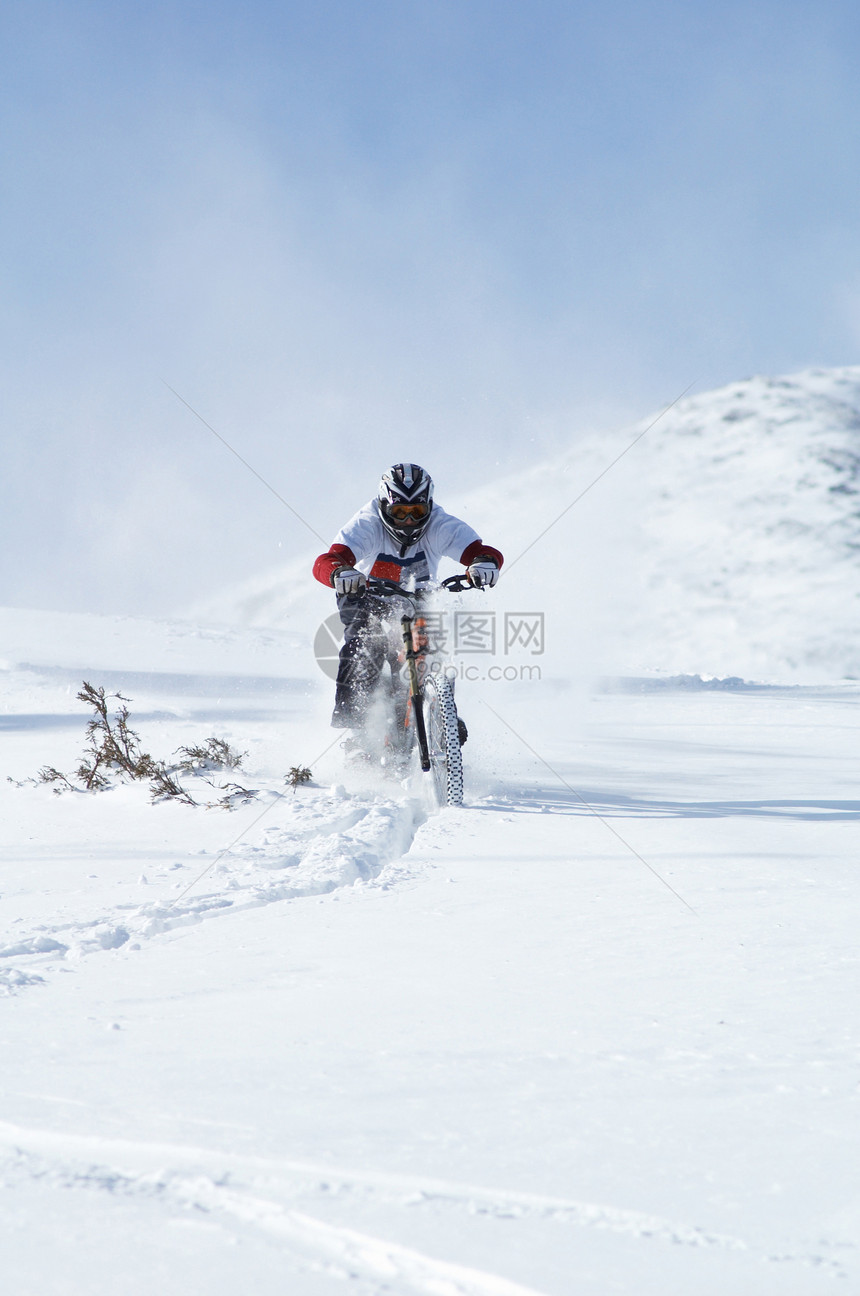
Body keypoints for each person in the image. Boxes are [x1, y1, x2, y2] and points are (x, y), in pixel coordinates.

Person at [313, 463, 503, 729]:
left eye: (417, 512)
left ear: (429, 506)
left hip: (419, 598)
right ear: (383, 507)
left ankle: (443, 716)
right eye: (399, 512)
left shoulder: (440, 524)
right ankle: (354, 729)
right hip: (365, 594)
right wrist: (338, 573)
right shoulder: (367, 524)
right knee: (364, 643)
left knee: (435, 647)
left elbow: (480, 551)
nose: (409, 521)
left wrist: (483, 564)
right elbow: (327, 560)